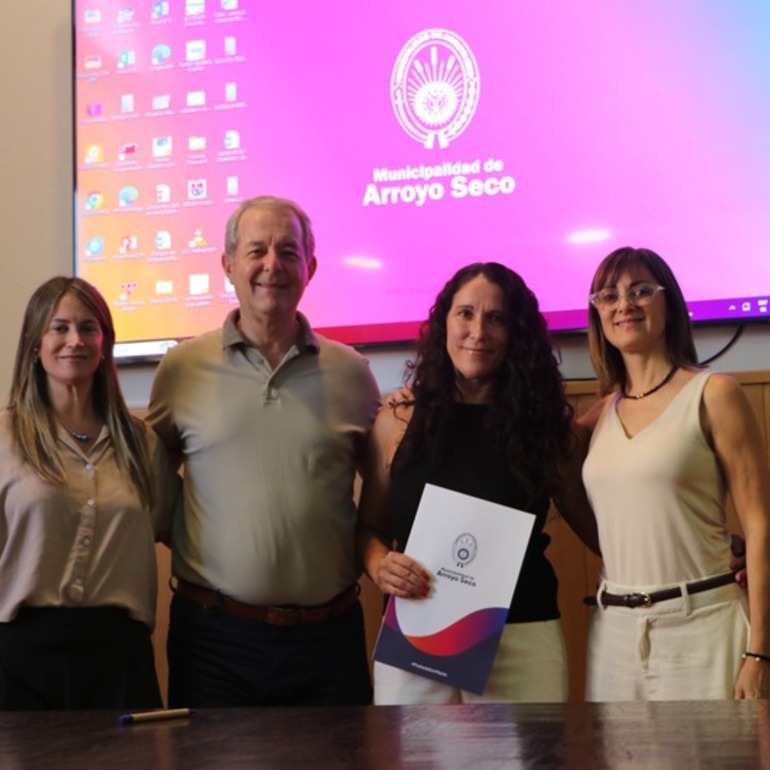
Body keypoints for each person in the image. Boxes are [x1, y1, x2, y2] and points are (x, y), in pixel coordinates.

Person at [146, 195, 380, 707]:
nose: (271, 265)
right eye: (256, 250)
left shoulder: (352, 374)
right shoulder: (181, 368)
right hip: (214, 641)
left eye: (288, 251)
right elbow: (149, 474)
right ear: (227, 264)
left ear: (310, 268)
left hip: (328, 638)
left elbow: (385, 492)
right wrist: (185, 530)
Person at [357, 262, 599, 704]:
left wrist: (711, 555)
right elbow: (368, 528)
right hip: (417, 638)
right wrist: (378, 564)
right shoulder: (397, 419)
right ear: (443, 323)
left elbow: (601, 529)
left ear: (517, 335)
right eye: (465, 313)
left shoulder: (546, 428)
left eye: (497, 318)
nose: (478, 331)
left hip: (523, 638)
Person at [580, 246, 770, 700]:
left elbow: (760, 524)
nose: (624, 304)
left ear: (670, 304)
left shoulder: (715, 393)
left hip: (704, 627)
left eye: (641, 291)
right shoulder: (599, 414)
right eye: (608, 296)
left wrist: (760, 652)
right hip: (614, 637)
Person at [0, 277, 179, 710]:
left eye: (88, 328)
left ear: (105, 345)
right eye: (59, 328)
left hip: (119, 659)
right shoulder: (4, 439)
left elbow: (175, 529)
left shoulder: (143, 443)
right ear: (34, 346)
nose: (74, 341)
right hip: (21, 659)